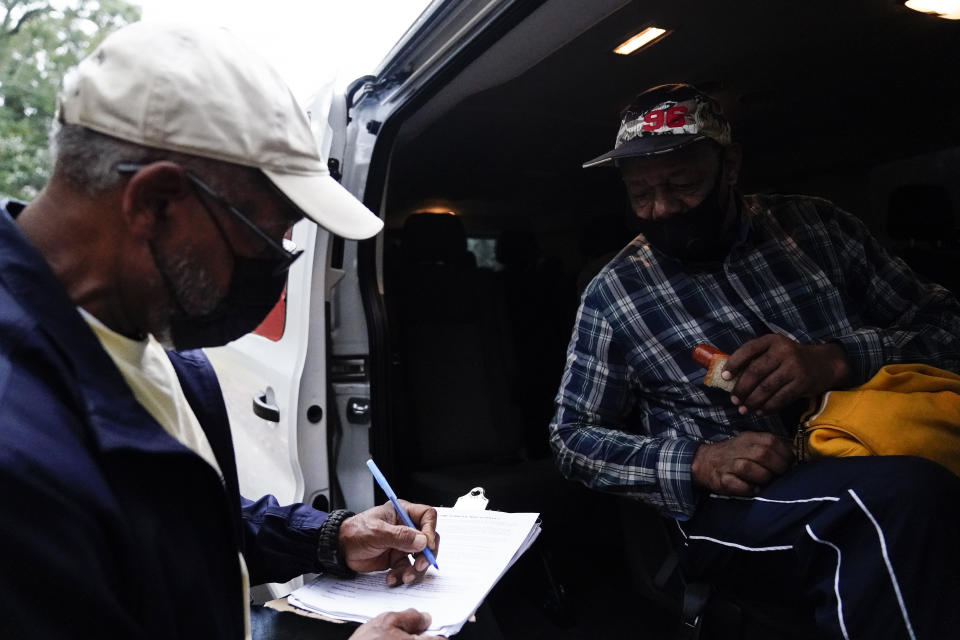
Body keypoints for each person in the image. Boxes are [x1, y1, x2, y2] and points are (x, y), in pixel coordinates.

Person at [0, 23, 442, 640]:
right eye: (271, 236)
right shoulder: (19, 453)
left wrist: (328, 537)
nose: (281, 265)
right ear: (154, 203)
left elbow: (171, 523)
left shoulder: (138, 334)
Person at [550, 83, 960, 637]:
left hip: (879, 441)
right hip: (733, 507)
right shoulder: (613, 296)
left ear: (730, 165)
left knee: (900, 487)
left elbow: (947, 327)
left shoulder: (819, 229)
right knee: (893, 498)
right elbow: (572, 438)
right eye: (640, 194)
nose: (662, 208)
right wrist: (698, 461)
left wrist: (836, 360)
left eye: (683, 184)